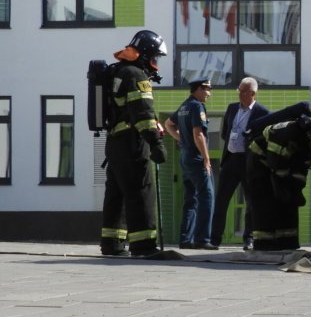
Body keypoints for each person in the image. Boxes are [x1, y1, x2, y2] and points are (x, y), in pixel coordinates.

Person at [99, 30, 168, 258]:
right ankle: (144, 245)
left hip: (114, 143)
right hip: (132, 144)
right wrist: (156, 144)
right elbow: (143, 114)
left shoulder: (116, 71)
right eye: (154, 58)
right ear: (145, 54)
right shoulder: (136, 75)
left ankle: (112, 243)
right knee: (140, 192)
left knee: (116, 194)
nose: (155, 64)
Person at [246, 104, 311, 250]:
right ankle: (264, 242)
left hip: (279, 165)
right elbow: (277, 165)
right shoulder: (288, 132)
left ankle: (288, 241)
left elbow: (300, 171)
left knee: (290, 203)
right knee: (265, 201)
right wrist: (281, 188)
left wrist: (296, 191)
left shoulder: (309, 145)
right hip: (260, 163)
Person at [210, 77, 269, 250]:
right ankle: (215, 239)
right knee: (221, 200)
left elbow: (264, 139)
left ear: (253, 93)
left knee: (251, 201)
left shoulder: (262, 112)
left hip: (249, 161)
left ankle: (248, 238)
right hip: (231, 160)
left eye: (244, 91)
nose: (240, 94)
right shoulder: (232, 108)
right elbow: (224, 133)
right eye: (239, 90)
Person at [165, 78, 216, 249]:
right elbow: (198, 134)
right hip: (196, 158)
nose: (209, 93)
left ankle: (186, 240)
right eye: (207, 89)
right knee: (207, 197)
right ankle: (203, 239)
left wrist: (181, 139)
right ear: (198, 90)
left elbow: (168, 124)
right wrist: (207, 158)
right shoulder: (196, 106)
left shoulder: (184, 105)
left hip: (185, 157)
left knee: (191, 199)